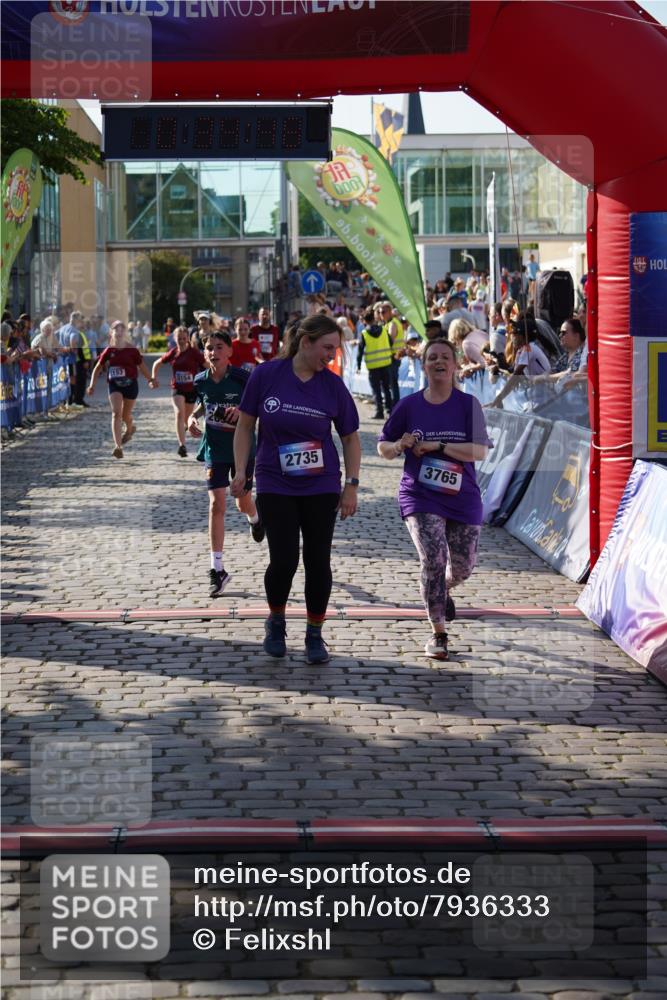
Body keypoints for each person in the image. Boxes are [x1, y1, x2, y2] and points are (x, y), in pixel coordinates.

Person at [231, 314, 361, 665]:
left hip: (321, 484)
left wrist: (351, 485)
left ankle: (315, 633)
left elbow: (350, 438)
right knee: (284, 560)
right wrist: (241, 470)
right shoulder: (266, 375)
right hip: (275, 481)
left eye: (335, 349)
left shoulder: (332, 386)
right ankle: (276, 621)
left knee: (318, 561)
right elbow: (245, 425)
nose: (332, 356)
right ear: (305, 342)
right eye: (327, 348)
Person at [378, 338, 490, 661]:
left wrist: (439, 446)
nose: (438, 362)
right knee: (434, 559)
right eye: (432, 358)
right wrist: (399, 445)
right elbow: (383, 447)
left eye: (445, 357)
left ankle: (441, 588)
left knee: (463, 568)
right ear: (424, 365)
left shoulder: (468, 405)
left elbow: (479, 452)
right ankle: (438, 632)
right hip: (420, 495)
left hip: (462, 496)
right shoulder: (409, 406)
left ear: (455, 365)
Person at [187, 330, 264, 598]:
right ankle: (217, 569)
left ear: (230, 351)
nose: (214, 352)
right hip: (214, 449)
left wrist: (242, 411)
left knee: (242, 502)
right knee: (216, 504)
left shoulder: (243, 378)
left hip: (242, 450)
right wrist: (192, 418)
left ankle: (255, 518)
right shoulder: (200, 380)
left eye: (219, 347)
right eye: (209, 348)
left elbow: (260, 405)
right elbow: (202, 403)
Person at [87, 320, 155, 458]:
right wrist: (92, 385)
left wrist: (150, 380)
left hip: (131, 385)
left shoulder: (132, 350)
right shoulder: (109, 350)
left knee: (125, 415)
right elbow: (97, 368)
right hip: (115, 385)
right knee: (116, 413)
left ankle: (130, 428)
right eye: (115, 329)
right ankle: (118, 446)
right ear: (111, 333)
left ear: (125, 333)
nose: (118, 332)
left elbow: (141, 366)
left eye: (121, 329)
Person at [151, 325, 205, 457]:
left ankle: (183, 429)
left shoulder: (194, 353)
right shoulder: (173, 352)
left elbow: (207, 365)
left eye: (184, 338)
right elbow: (157, 363)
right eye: (179, 338)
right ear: (175, 339)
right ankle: (182, 445)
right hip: (177, 388)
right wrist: (153, 378)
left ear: (188, 339)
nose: (181, 341)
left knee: (186, 418)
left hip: (191, 389)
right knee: (179, 414)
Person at [486, 313, 551, 409]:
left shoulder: (528, 349)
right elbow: (514, 375)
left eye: (513, 333)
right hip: (538, 393)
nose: (510, 336)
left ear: (521, 336)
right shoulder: (522, 350)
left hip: (545, 394)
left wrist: (498, 399)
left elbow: (515, 377)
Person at [357, 305, 393, 420]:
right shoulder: (384, 329)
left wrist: (358, 366)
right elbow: (391, 342)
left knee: (376, 390)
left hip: (373, 367)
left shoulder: (364, 333)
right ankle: (390, 411)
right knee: (387, 389)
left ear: (365, 321)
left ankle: (379, 412)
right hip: (386, 363)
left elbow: (360, 351)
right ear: (374, 318)